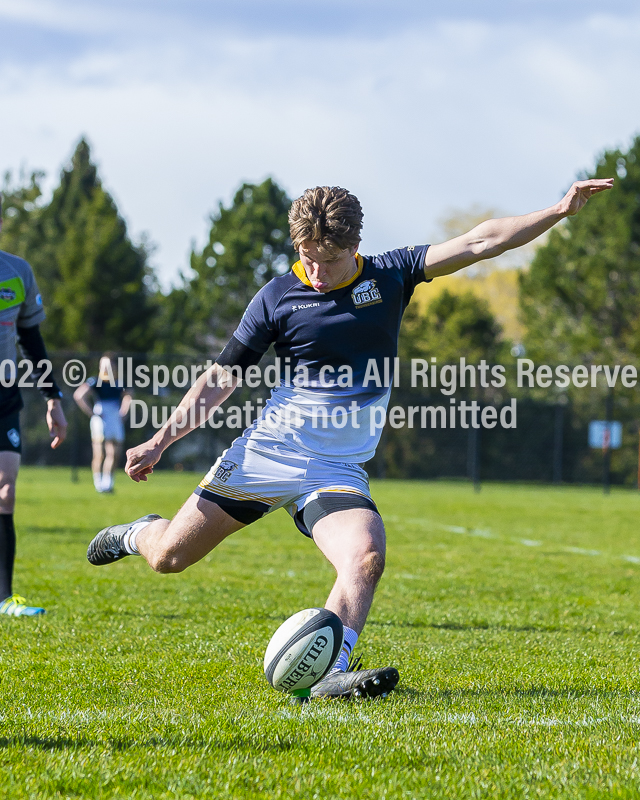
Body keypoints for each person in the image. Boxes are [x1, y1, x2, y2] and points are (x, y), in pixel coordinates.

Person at [87, 179, 612, 697]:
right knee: (169, 557)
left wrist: (559, 210)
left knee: (365, 556)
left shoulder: (390, 275)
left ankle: (330, 671)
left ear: (355, 248)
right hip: (268, 455)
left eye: (327, 261)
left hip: (336, 470)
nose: (314, 272)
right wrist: (160, 440)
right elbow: (219, 380)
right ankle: (141, 532)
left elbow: (479, 241)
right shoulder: (277, 296)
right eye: (306, 258)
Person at [0, 195, 67, 617]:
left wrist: (52, 398)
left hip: (5, 394)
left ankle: (4, 598)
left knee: (6, 488)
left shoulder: (17, 271)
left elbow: (32, 341)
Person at [73, 353, 131, 493]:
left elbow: (128, 397)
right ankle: (98, 482)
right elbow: (79, 395)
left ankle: (108, 483)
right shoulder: (95, 381)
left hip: (114, 416)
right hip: (101, 416)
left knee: (114, 452)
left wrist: (123, 411)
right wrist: (92, 413)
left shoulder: (120, 383)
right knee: (99, 452)